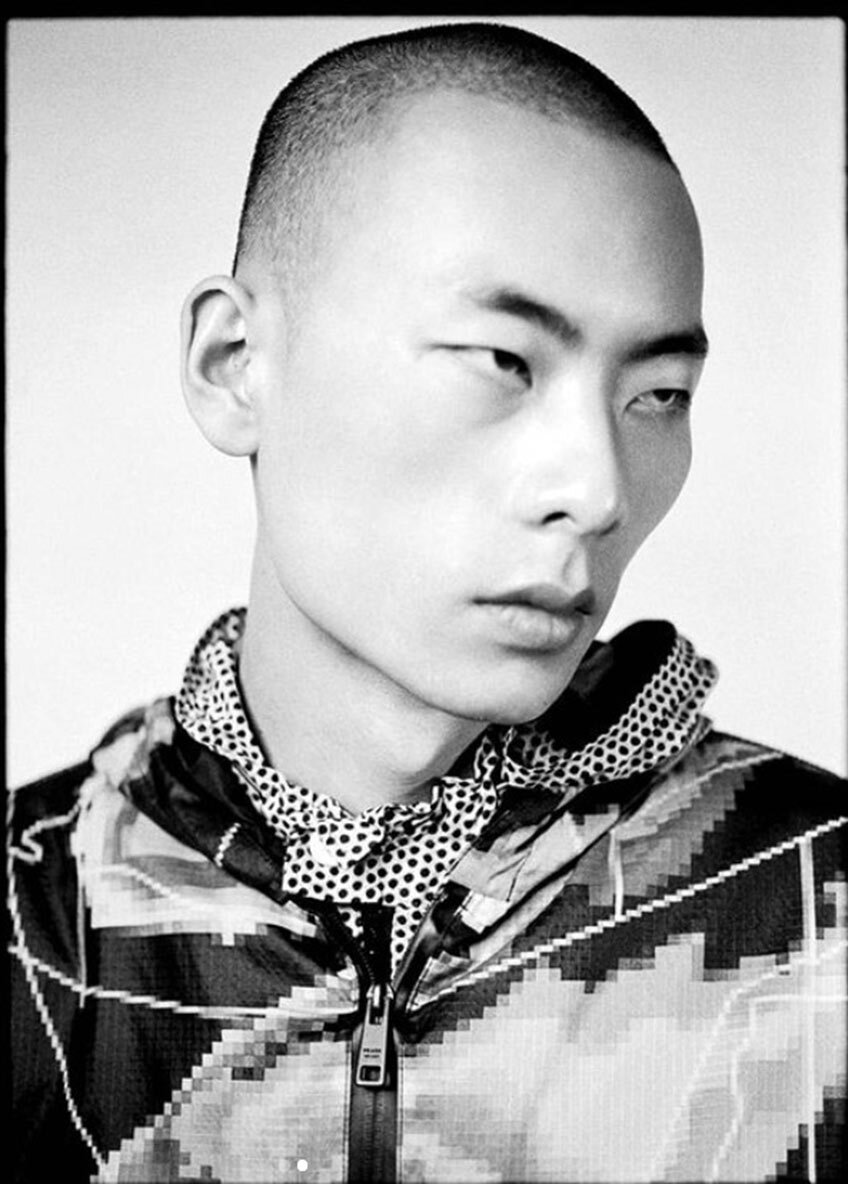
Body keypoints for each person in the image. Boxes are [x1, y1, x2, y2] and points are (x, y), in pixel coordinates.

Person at [8, 20, 845, 1184]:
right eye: (502, 360)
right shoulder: (30, 930)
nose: (597, 490)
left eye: (656, 393)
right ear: (233, 363)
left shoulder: (818, 902)